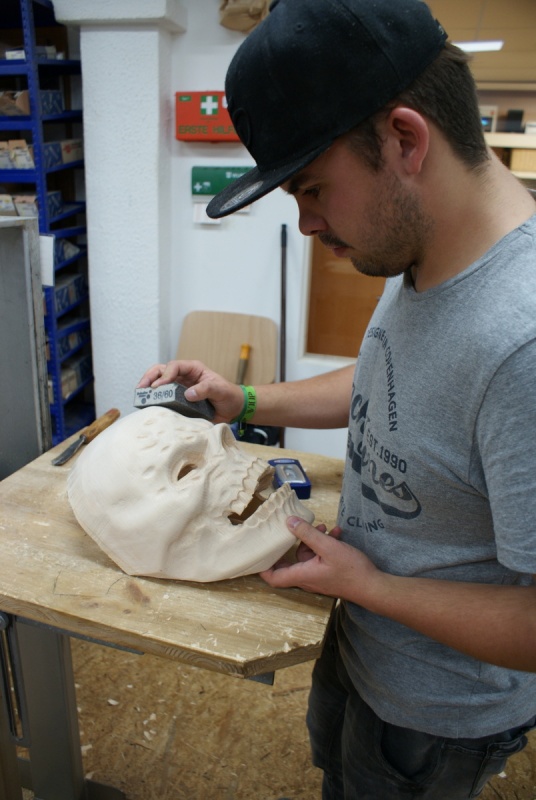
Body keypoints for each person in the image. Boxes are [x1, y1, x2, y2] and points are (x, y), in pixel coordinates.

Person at [138, 0, 536, 797]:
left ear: (404, 140)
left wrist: (370, 585)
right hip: (360, 639)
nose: (308, 223)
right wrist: (245, 399)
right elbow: (390, 381)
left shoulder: (521, 341)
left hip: (435, 711)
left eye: (313, 188)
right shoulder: (428, 251)